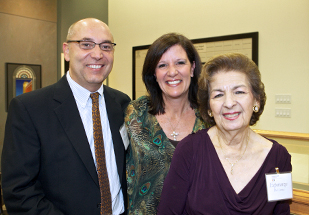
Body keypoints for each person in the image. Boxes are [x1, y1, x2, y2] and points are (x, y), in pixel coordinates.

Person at [1, 18, 130, 215]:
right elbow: (19, 192)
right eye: (86, 44)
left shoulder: (122, 104)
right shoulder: (29, 108)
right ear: (67, 51)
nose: (97, 54)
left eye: (106, 46)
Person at [158, 53, 292, 214]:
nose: (229, 103)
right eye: (218, 95)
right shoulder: (189, 151)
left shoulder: (278, 158)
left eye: (239, 92)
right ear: (209, 107)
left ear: (256, 100)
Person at [125, 33, 208, 214]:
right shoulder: (135, 113)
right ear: (154, 73)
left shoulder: (209, 118)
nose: (172, 72)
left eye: (180, 63)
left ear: (193, 68)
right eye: (162, 65)